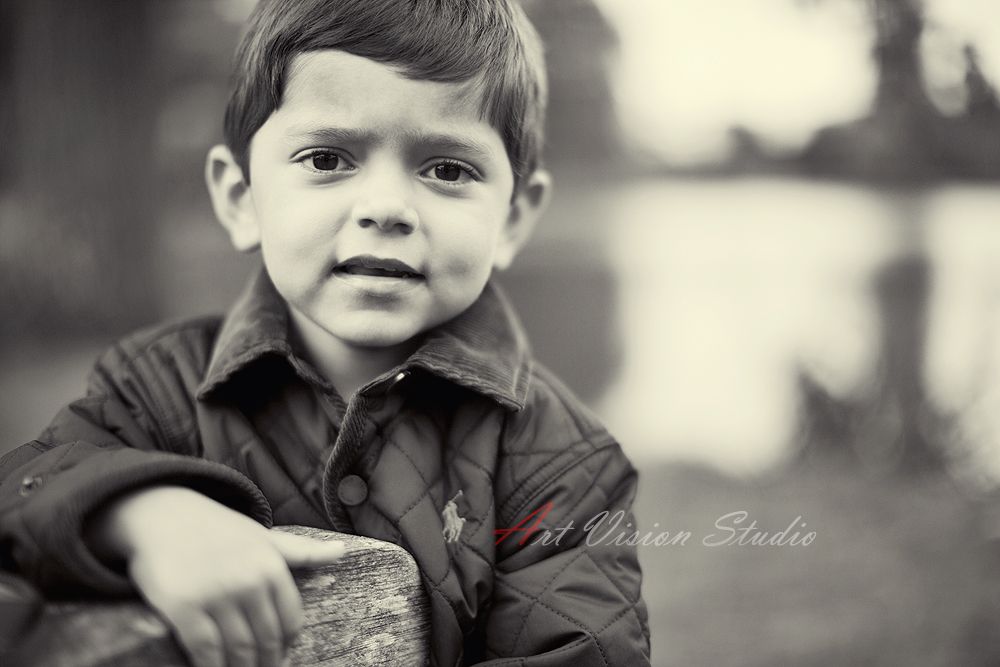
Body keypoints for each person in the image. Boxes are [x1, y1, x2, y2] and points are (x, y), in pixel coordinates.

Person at [0, 0, 650, 665]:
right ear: (241, 197)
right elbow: (24, 486)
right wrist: (136, 510)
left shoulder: (562, 460)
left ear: (513, 217)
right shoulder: (153, 388)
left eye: (447, 170)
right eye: (328, 158)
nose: (385, 208)